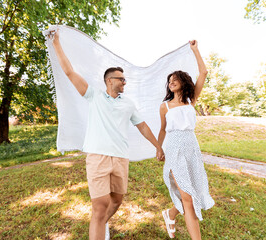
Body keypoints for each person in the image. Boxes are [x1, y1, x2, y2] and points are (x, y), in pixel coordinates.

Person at [49, 29, 165, 240]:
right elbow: (69, 72)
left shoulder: (128, 104)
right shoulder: (94, 96)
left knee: (117, 200)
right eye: (121, 79)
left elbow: (143, 127)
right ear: (109, 80)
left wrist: (158, 146)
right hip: (98, 157)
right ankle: (100, 222)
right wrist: (56, 42)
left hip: (121, 158)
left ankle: (102, 223)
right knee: (99, 207)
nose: (124, 83)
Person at [158, 40, 215, 239]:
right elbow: (163, 130)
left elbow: (204, 73)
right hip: (174, 149)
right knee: (188, 197)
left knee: (193, 193)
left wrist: (195, 50)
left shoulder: (191, 100)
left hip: (191, 148)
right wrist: (159, 148)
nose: (171, 82)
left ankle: (171, 212)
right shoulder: (164, 106)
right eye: (169, 80)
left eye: (175, 79)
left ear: (183, 81)